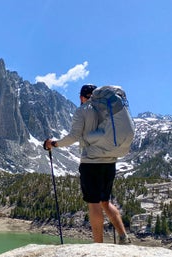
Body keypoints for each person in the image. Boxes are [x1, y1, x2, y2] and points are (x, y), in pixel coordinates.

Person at [44, 84, 131, 244]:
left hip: (91, 162)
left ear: (81, 97)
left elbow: (74, 136)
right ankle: (123, 236)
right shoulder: (106, 108)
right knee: (105, 202)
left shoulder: (83, 110)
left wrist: (54, 144)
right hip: (110, 161)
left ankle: (98, 245)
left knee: (94, 203)